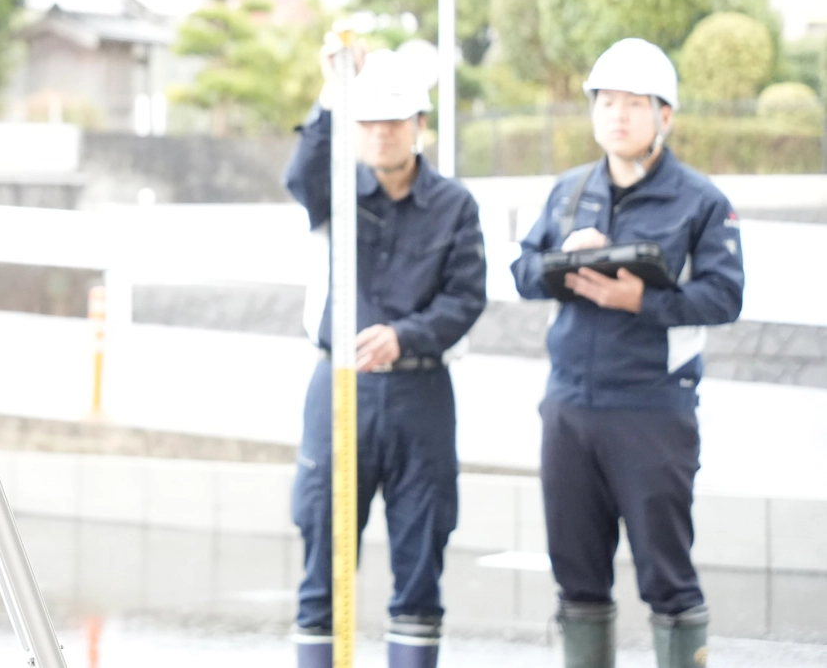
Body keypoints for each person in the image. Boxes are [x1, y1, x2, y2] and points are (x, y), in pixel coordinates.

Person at [511, 38, 742, 668]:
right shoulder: (567, 191)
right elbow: (522, 273)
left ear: (665, 116)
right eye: (606, 102)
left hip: (652, 407)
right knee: (578, 578)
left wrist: (641, 301)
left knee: (666, 576)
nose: (617, 115)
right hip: (569, 407)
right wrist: (564, 258)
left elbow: (725, 296)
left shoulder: (701, 201)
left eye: (635, 103)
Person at [285, 40, 488, 668]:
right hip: (337, 386)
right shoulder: (336, 193)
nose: (380, 133)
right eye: (367, 121)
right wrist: (332, 90)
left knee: (421, 558)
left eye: (394, 121)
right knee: (323, 550)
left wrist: (407, 336)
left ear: (419, 127)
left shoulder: (454, 204)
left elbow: (466, 298)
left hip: (420, 393)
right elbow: (300, 175)